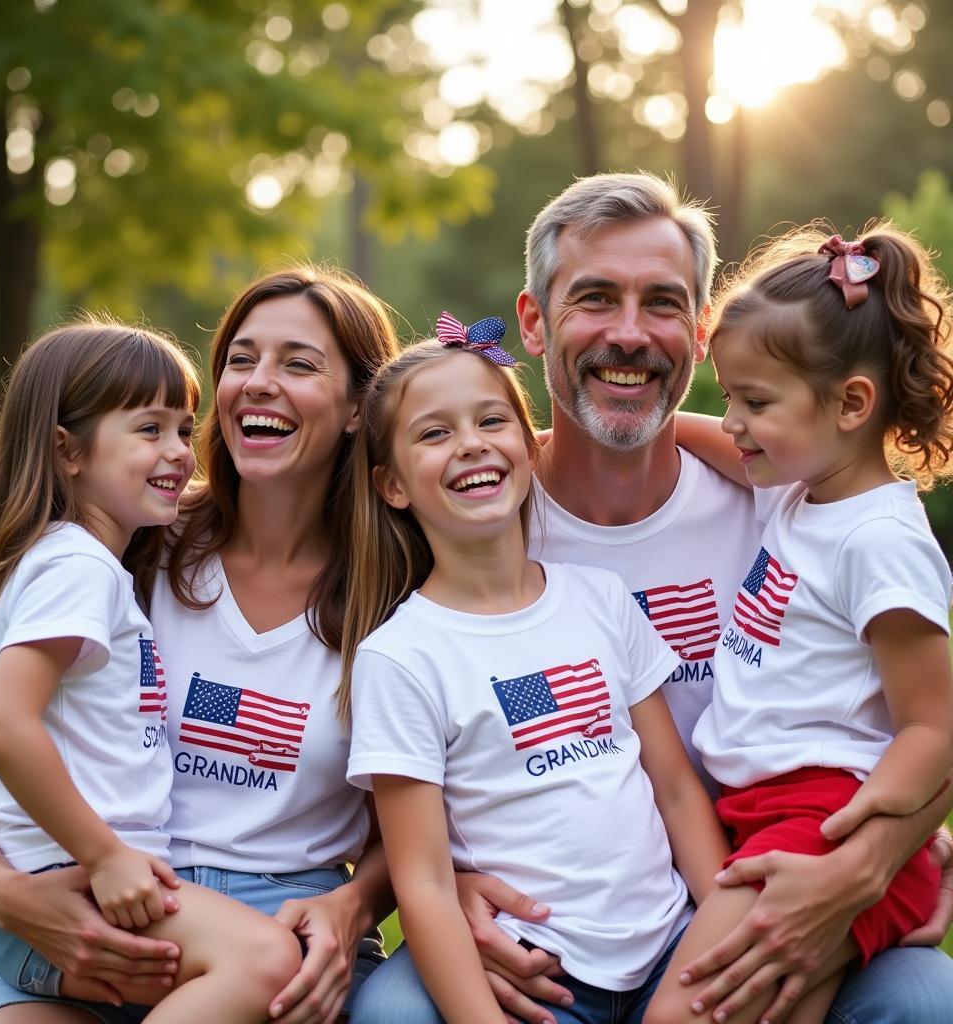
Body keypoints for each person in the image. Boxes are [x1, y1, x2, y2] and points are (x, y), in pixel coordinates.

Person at [350, 175, 953, 1024]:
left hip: (755, 869)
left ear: (701, 333)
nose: (629, 334)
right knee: (394, 1014)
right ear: (532, 321)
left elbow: (928, 714)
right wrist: (444, 885)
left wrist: (881, 856)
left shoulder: (787, 495)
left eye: (662, 304)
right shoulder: (474, 513)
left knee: (928, 999)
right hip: (553, 919)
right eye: (595, 298)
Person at [0, 267, 401, 1024]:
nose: (258, 383)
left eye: (299, 363)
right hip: (101, 913)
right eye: (241, 360)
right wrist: (7, 894)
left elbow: (409, 829)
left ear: (358, 407)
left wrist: (350, 908)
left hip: (272, 933)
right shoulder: (130, 542)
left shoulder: (395, 588)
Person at [340, 325, 729, 1024]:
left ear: (529, 444)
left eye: (493, 421)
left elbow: (673, 788)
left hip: (672, 945)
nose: (471, 444)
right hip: (538, 979)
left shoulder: (599, 597)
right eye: (434, 435)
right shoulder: (400, 658)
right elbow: (424, 880)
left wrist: (723, 928)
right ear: (392, 485)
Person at [643, 224, 953, 1024]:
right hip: (764, 814)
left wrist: (864, 842)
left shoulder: (878, 541)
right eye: (730, 396)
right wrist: (542, 443)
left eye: (756, 401)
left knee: (682, 1014)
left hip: (824, 823)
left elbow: (934, 724)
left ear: (851, 402)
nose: (734, 422)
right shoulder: (795, 486)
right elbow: (688, 434)